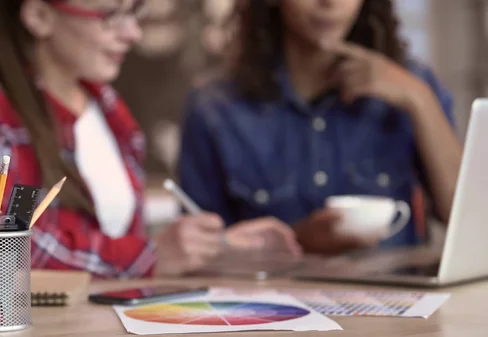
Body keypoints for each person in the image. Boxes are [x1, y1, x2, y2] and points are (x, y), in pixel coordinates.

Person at [0, 0, 301, 279]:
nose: (132, 33)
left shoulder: (108, 107)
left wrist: (218, 247)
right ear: (38, 15)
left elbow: (114, 244)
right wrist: (147, 256)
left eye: (134, 11)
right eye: (110, 14)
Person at [178, 0, 462, 255]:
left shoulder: (413, 85)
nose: (330, 3)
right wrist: (297, 241)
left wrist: (420, 101)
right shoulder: (215, 107)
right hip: (276, 304)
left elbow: (468, 220)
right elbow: (203, 253)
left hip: (400, 301)